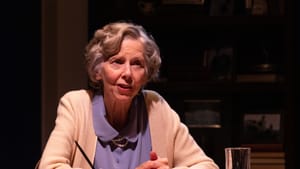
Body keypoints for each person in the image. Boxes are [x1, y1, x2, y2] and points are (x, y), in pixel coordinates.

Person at [36, 21, 219, 169]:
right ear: (99, 70)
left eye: (137, 64)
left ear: (147, 73)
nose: (128, 74)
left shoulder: (156, 106)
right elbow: (50, 166)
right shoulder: (76, 105)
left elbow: (206, 165)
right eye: (117, 62)